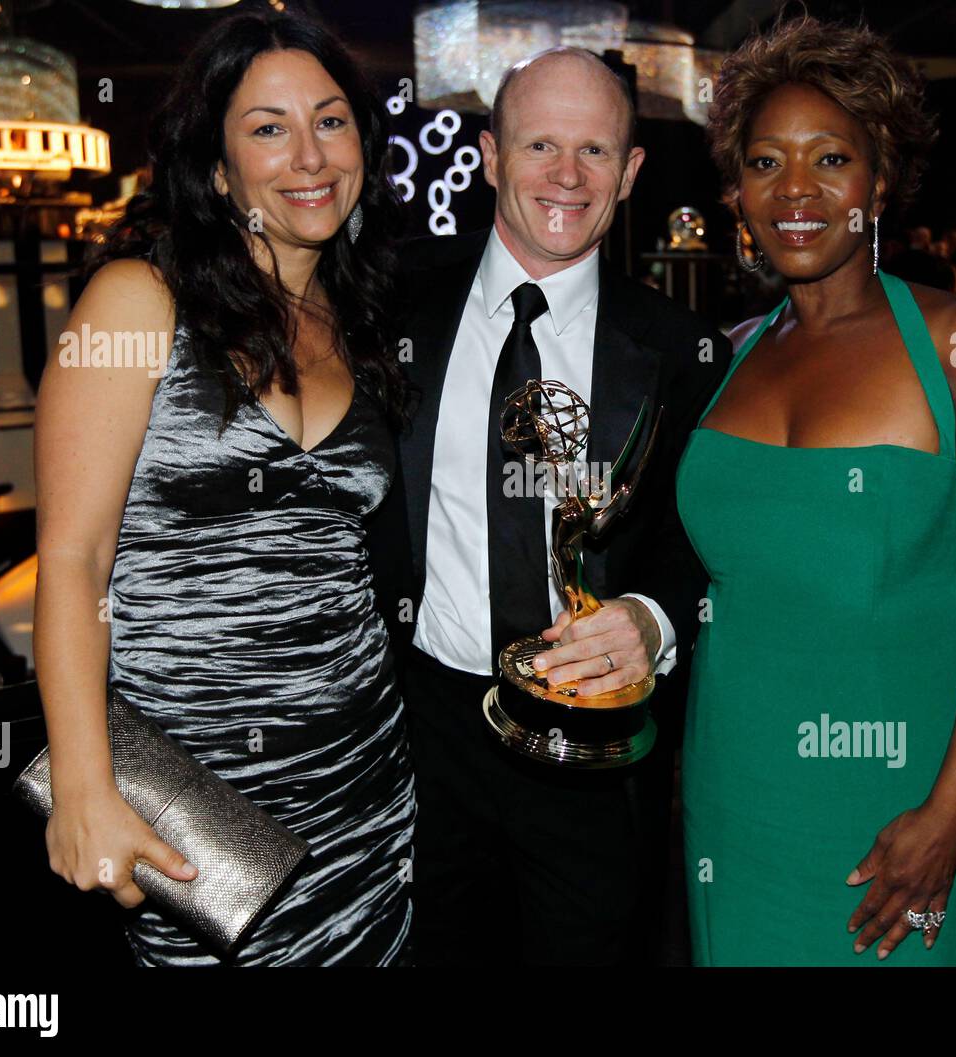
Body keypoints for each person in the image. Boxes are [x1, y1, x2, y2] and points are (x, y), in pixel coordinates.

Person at [32, 12, 415, 965]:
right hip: (200, 818)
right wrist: (83, 784)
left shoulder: (362, 323)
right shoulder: (137, 298)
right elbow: (72, 564)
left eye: (331, 121)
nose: (310, 155)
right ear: (216, 167)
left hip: (368, 793)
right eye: (268, 128)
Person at [679, 12, 956, 966]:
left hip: (902, 801)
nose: (795, 190)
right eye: (766, 163)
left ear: (877, 182)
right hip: (732, 789)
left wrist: (953, 810)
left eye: (829, 159)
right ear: (736, 192)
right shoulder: (733, 354)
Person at [370, 46, 731, 965]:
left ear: (632, 170)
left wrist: (650, 619)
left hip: (594, 748)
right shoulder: (386, 302)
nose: (566, 176)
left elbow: (702, 535)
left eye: (595, 151)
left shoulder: (683, 350)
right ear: (490, 156)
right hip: (421, 737)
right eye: (539, 146)